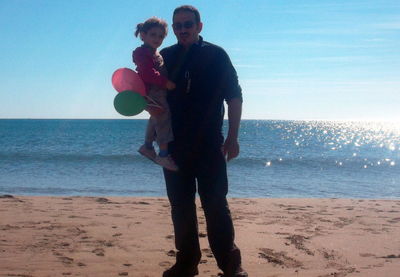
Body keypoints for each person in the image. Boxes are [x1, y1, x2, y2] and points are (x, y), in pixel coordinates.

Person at [160, 5, 248, 277]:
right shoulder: (164, 57)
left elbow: (234, 96)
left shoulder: (216, 55)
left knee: (215, 205)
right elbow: (154, 99)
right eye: (177, 25)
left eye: (188, 24)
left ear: (199, 26)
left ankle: (231, 267)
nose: (182, 29)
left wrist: (233, 137)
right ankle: (186, 264)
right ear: (173, 29)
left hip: (210, 144)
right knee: (180, 207)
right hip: (174, 147)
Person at [133, 17, 179, 171]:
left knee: (156, 117)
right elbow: (147, 73)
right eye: (153, 35)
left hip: (157, 92)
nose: (157, 39)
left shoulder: (154, 52)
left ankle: (147, 146)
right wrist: (164, 82)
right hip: (153, 92)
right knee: (163, 119)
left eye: (161, 36)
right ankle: (163, 154)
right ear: (143, 35)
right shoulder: (142, 53)